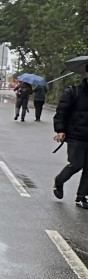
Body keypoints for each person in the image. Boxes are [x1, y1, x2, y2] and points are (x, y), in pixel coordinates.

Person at [53, 67, 88, 208]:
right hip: (76, 135)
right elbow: (61, 112)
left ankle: (81, 197)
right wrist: (60, 130)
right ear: (86, 74)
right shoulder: (73, 92)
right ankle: (59, 180)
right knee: (77, 163)